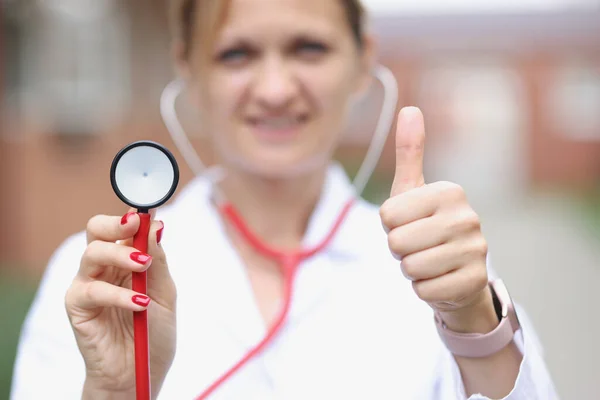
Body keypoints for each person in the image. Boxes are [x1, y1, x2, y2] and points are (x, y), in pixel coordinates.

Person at [11, 0, 558, 399]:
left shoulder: (445, 269)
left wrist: (473, 325)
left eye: (309, 48)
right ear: (188, 70)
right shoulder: (99, 280)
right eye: (236, 54)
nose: (274, 89)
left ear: (363, 60)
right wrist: (113, 393)